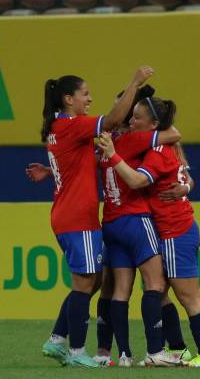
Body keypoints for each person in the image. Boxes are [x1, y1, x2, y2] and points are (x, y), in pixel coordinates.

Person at [38, 67, 154, 368]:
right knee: (85, 283)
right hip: (77, 217)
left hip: (70, 214)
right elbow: (113, 120)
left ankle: (58, 340)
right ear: (68, 99)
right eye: (85, 94)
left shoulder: (58, 127)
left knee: (92, 279)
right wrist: (134, 83)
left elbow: (78, 164)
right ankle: (76, 352)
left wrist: (50, 171)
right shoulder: (72, 125)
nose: (90, 99)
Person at [97, 97, 200, 368]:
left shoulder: (158, 152)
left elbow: (138, 180)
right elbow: (185, 176)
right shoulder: (159, 147)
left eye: (137, 118)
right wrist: (186, 187)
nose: (131, 121)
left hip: (176, 229)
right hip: (164, 228)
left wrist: (112, 154)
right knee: (161, 291)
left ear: (153, 125)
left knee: (188, 296)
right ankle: (176, 349)